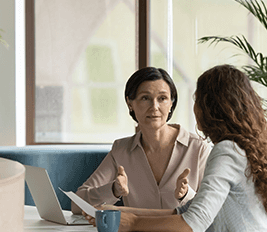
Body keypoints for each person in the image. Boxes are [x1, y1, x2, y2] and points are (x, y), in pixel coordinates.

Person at [84, 64, 267, 232]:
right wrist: (120, 212)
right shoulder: (239, 147)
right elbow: (184, 212)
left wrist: (132, 222)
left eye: (198, 99)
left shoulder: (225, 151)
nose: (194, 107)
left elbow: (194, 222)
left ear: (212, 107)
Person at [73, 67, 211, 214]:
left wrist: (186, 195)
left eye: (162, 98)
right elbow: (77, 204)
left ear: (171, 103)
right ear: (130, 103)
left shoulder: (198, 148)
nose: (154, 107)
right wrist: (113, 190)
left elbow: (212, 212)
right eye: (145, 98)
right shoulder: (121, 150)